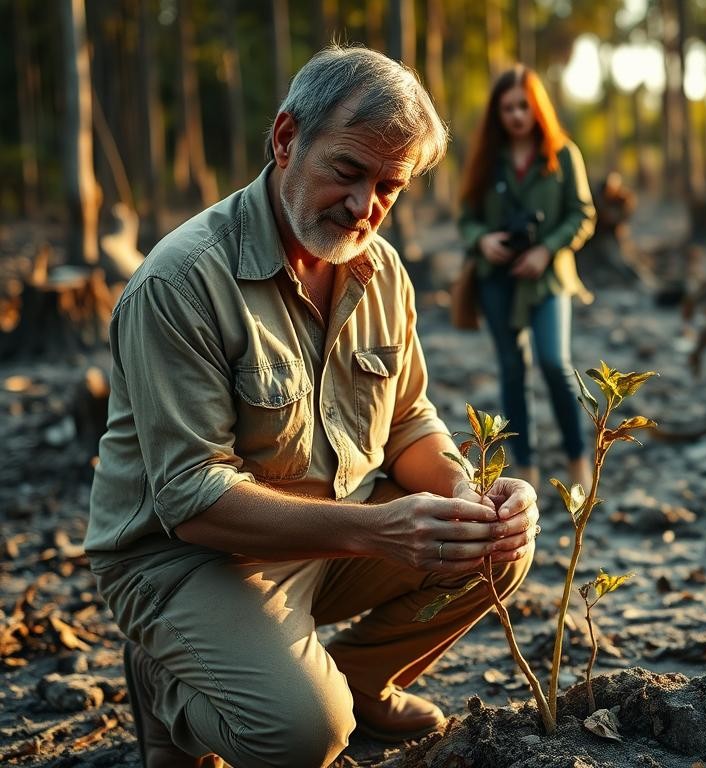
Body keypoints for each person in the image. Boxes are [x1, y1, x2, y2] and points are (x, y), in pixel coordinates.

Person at [84, 45, 539, 768]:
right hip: (186, 562)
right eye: (347, 172)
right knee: (304, 735)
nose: (365, 208)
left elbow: (407, 421)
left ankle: (361, 682)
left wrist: (467, 494)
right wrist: (377, 531)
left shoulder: (380, 269)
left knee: (492, 549)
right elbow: (192, 501)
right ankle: (169, 690)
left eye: (390, 186)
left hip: (335, 533)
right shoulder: (181, 281)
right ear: (287, 138)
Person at [457, 64, 596, 491]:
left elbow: (583, 214)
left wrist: (545, 248)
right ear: (497, 113)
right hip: (496, 281)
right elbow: (465, 219)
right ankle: (527, 470)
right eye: (507, 108)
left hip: (548, 279)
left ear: (538, 108)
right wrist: (483, 241)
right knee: (512, 370)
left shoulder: (564, 154)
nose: (517, 115)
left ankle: (578, 461)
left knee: (555, 363)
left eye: (524, 106)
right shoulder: (486, 161)